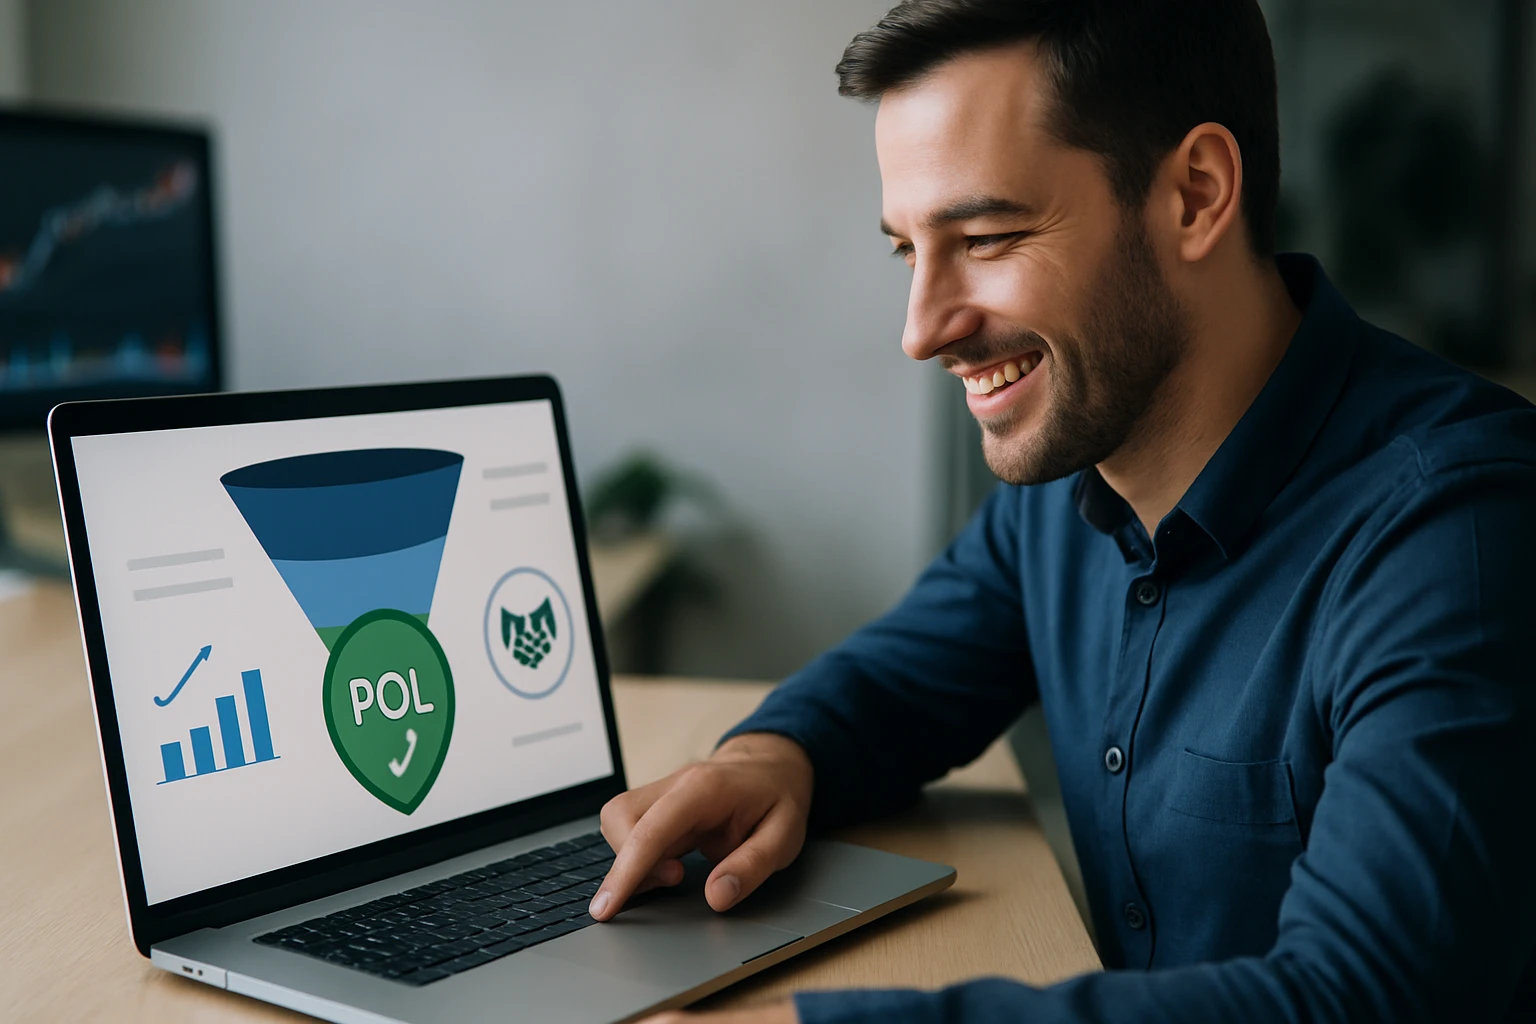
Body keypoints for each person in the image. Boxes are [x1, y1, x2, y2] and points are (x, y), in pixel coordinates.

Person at [595, 2, 1536, 1021]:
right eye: (908, 250)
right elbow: (905, 674)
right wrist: (772, 756)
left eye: (988, 235)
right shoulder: (1079, 472)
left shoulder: (1458, 535)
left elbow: (1362, 1002)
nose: (921, 331)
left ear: (1196, 194)